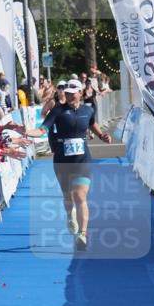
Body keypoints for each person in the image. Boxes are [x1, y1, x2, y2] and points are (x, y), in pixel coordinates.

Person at [26, 79, 111, 252]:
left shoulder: (88, 110)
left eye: (74, 92)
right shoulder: (58, 110)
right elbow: (42, 130)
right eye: (69, 92)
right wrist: (26, 131)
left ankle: (83, 234)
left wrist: (102, 135)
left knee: (80, 196)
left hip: (83, 160)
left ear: (81, 93)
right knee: (68, 196)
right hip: (62, 160)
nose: (71, 95)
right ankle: (69, 214)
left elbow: (92, 123)